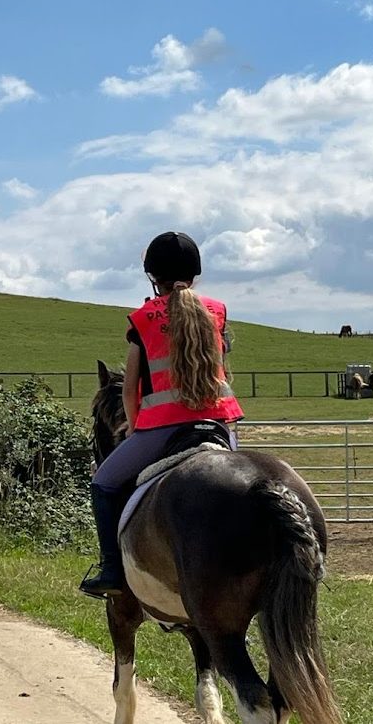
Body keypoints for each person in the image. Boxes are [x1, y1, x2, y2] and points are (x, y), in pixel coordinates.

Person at [79, 231, 244, 599]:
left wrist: (137, 429)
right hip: (220, 424)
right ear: (195, 274)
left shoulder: (144, 318)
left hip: (162, 427)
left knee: (103, 484)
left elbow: (129, 386)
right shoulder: (216, 311)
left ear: (153, 277)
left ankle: (111, 571)